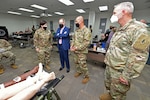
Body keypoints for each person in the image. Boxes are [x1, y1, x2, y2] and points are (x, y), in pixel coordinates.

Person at [99, 2, 150, 100]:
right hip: (111, 66)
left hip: (120, 71)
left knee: (118, 94)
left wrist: (127, 75)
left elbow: (138, 56)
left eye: (114, 13)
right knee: (110, 88)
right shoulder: (121, 28)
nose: (113, 15)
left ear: (123, 12)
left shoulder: (139, 29)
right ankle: (110, 95)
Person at [70, 16, 91, 84]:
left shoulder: (86, 31)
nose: (75, 23)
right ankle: (79, 71)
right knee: (76, 62)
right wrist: (72, 45)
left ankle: (86, 76)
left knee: (82, 64)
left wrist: (77, 48)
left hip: (82, 52)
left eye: (76, 21)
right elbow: (73, 39)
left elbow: (86, 43)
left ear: (81, 21)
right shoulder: (76, 30)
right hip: (75, 51)